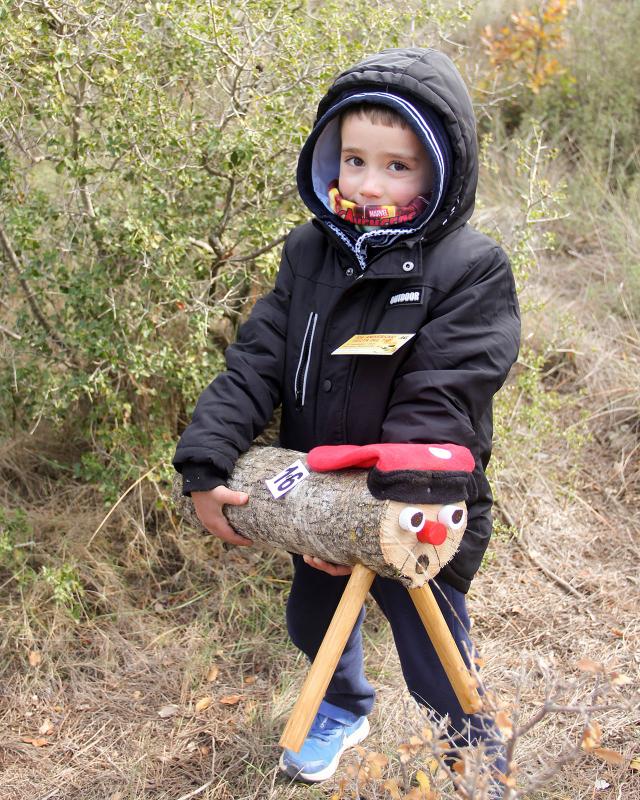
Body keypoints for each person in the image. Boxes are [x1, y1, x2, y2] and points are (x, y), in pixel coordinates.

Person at [173, 47, 520, 791]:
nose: (368, 183)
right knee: (312, 621)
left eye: (397, 166)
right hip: (315, 491)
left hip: (416, 507)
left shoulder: (468, 267)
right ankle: (345, 704)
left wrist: (367, 517)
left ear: (441, 170)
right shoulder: (309, 249)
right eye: (354, 158)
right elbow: (257, 359)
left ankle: (474, 753)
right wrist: (206, 463)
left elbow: (443, 394)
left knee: (438, 652)